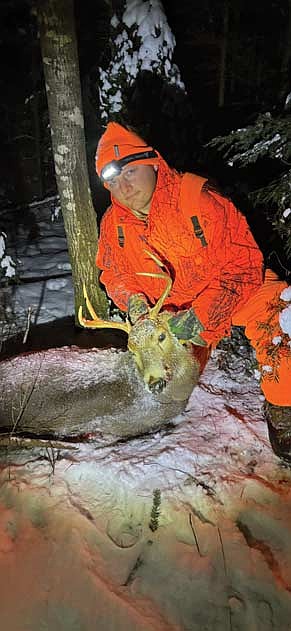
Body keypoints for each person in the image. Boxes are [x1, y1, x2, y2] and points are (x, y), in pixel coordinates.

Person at [95, 122, 291, 461]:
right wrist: (135, 303)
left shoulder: (198, 200)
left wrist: (200, 317)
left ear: (153, 161)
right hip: (168, 316)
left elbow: (243, 266)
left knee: (281, 318)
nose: (123, 188)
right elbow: (114, 273)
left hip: (230, 292)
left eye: (130, 173)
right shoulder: (114, 224)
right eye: (112, 181)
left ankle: (285, 407)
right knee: (166, 389)